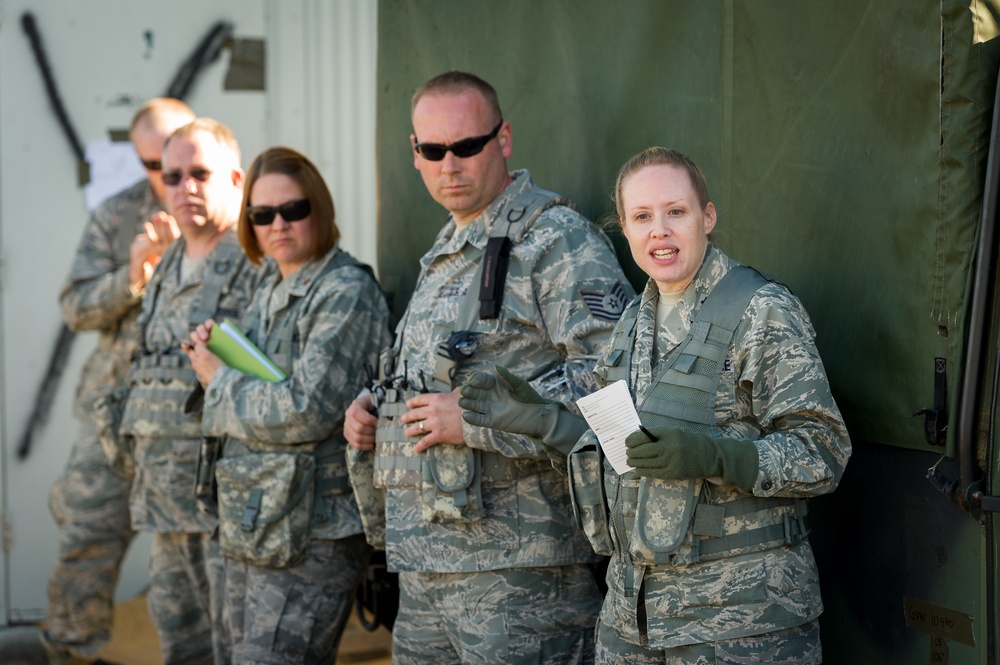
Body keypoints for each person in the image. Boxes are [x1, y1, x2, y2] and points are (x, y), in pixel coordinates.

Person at [460, 147, 852, 664]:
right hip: (632, 620)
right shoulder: (630, 324)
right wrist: (543, 421)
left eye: (676, 211)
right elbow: (618, 451)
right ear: (624, 228)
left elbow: (823, 451)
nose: (659, 231)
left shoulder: (762, 311)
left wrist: (715, 456)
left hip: (744, 622)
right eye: (642, 216)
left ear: (706, 218)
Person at [343, 70, 634, 664]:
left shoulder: (555, 242)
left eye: (466, 146)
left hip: (522, 576)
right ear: (415, 154)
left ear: (503, 139)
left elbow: (618, 390)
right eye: (432, 150)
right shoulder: (448, 250)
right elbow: (435, 373)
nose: (449, 164)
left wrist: (472, 421)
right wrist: (377, 405)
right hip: (426, 562)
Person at [182, 146, 394, 664]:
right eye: (261, 215)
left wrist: (220, 379)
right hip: (256, 519)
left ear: (318, 209)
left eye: (293, 209)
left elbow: (306, 410)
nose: (278, 224)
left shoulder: (343, 291)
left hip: (310, 532)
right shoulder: (272, 285)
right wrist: (219, 350)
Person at [43, 97, 194, 664]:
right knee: (86, 537)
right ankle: (72, 653)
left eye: (174, 157)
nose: (165, 176)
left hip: (194, 418)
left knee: (191, 556)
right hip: (114, 414)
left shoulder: (234, 205)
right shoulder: (117, 214)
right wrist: (129, 279)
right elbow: (75, 309)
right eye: (151, 163)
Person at [118, 117, 263, 665]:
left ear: (235, 178)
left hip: (224, 504)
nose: (184, 188)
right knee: (181, 646)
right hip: (164, 502)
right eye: (171, 175)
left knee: (236, 648)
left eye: (200, 173)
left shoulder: (257, 261)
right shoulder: (170, 261)